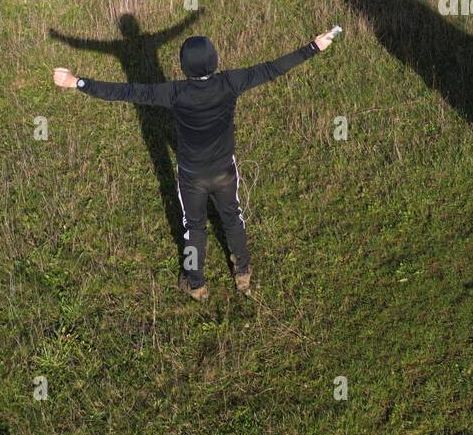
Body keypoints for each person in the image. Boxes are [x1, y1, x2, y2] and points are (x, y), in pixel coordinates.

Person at [53, 31, 337, 300]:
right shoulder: (230, 83)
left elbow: (125, 92)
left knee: (194, 228)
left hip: (192, 176)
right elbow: (272, 68)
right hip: (225, 171)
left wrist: (77, 82)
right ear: (215, 62)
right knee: (232, 219)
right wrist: (313, 47)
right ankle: (243, 272)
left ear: (183, 67)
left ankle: (196, 283)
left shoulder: (173, 93)